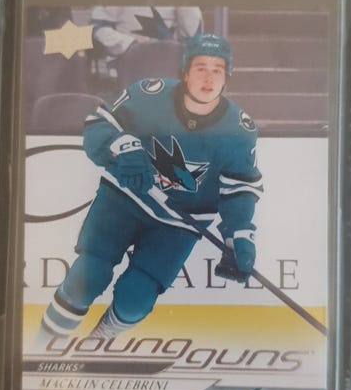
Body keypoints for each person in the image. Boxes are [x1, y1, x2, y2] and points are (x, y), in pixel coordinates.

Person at [34, 33, 263, 346]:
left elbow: (240, 187)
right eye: (200, 68)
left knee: (136, 299)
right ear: (185, 72)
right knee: (87, 277)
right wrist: (122, 148)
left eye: (217, 70)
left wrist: (238, 234)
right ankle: (44, 347)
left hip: (178, 223)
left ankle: (97, 344)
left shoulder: (239, 129)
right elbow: (98, 126)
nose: (208, 78)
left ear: (227, 77)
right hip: (123, 199)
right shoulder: (148, 95)